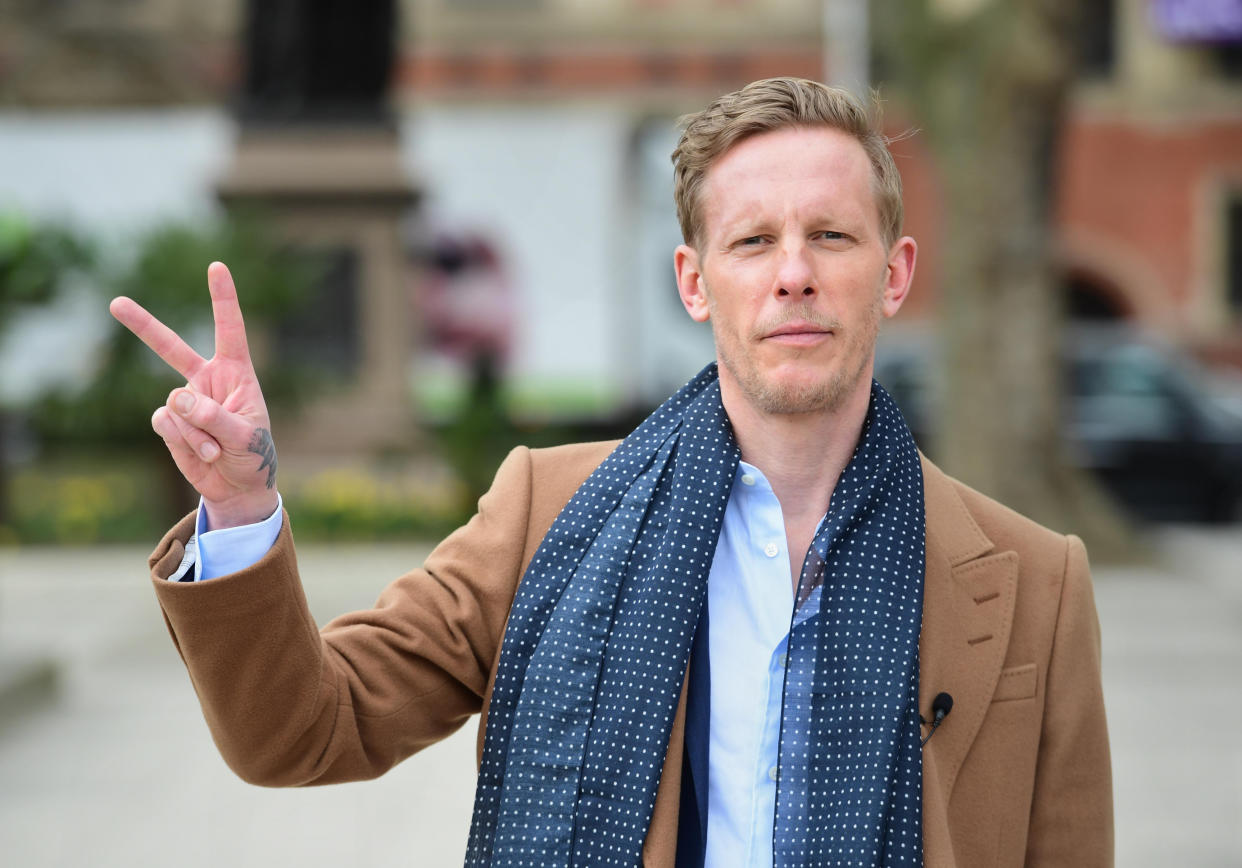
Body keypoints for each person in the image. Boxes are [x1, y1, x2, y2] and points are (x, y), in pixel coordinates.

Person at [111, 78, 1112, 867]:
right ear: (694, 280)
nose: (793, 272)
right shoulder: (548, 512)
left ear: (893, 275)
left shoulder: (1035, 581)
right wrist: (242, 506)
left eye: (832, 236)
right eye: (753, 240)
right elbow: (303, 732)